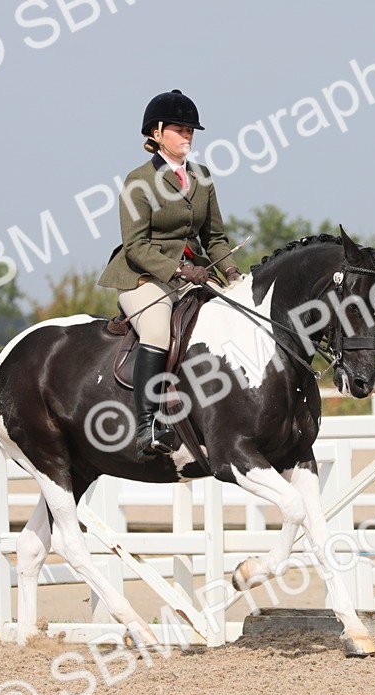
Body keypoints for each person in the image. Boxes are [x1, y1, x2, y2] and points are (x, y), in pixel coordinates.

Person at [98, 89, 242, 461]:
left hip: (192, 274)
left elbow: (215, 237)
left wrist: (230, 272)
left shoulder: (202, 177)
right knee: (159, 328)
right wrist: (179, 269)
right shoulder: (138, 181)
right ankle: (147, 425)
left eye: (191, 129)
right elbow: (135, 246)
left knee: (231, 316)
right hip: (142, 276)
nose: (188, 135)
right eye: (180, 128)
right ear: (157, 133)